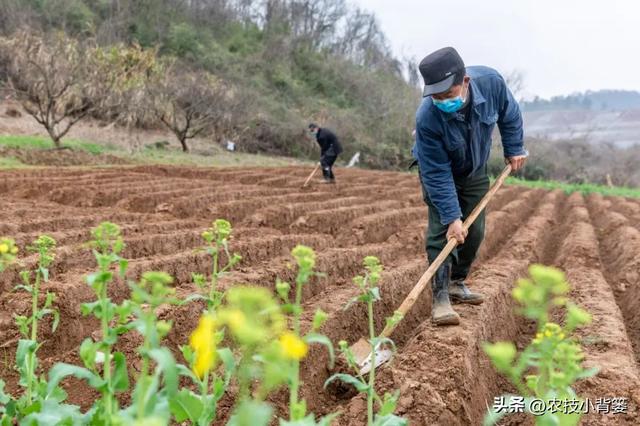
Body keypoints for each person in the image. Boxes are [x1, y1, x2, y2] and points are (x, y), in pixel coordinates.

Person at [412, 47, 528, 326]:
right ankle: (440, 297)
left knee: (474, 231)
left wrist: (514, 148)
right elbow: (436, 173)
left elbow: (509, 114)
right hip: (441, 173)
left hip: (475, 170)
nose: (442, 101)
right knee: (444, 232)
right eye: (436, 97)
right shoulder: (427, 117)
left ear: (465, 82)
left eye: (448, 95)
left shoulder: (491, 83)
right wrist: (452, 217)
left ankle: (456, 282)